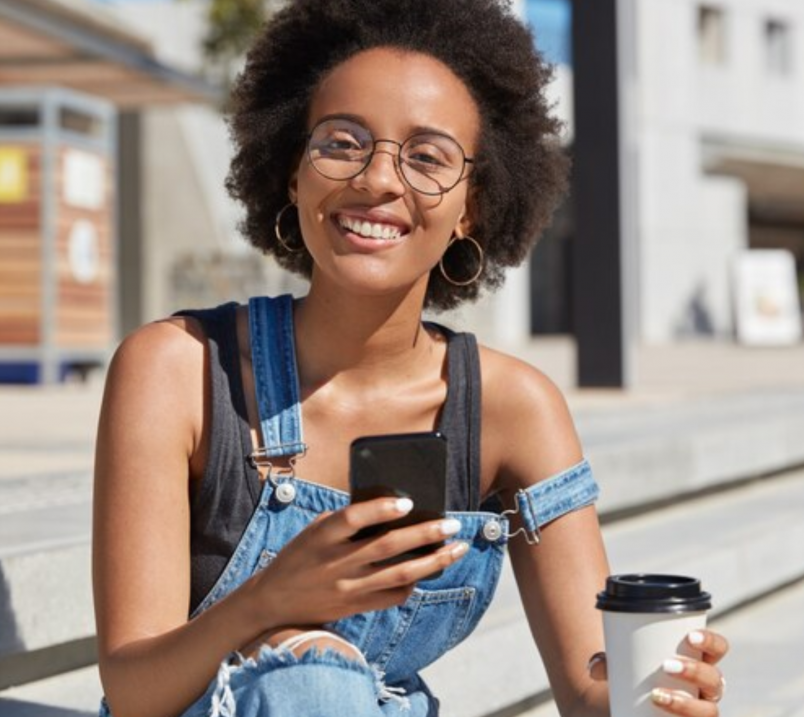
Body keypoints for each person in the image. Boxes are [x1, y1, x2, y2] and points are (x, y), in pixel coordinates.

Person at [91, 1, 729, 716]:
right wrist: (269, 604)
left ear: (471, 209)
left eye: (427, 156)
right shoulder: (175, 369)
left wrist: (660, 695)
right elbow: (132, 689)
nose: (378, 180)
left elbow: (587, 692)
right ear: (292, 173)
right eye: (341, 141)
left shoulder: (514, 408)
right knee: (314, 681)